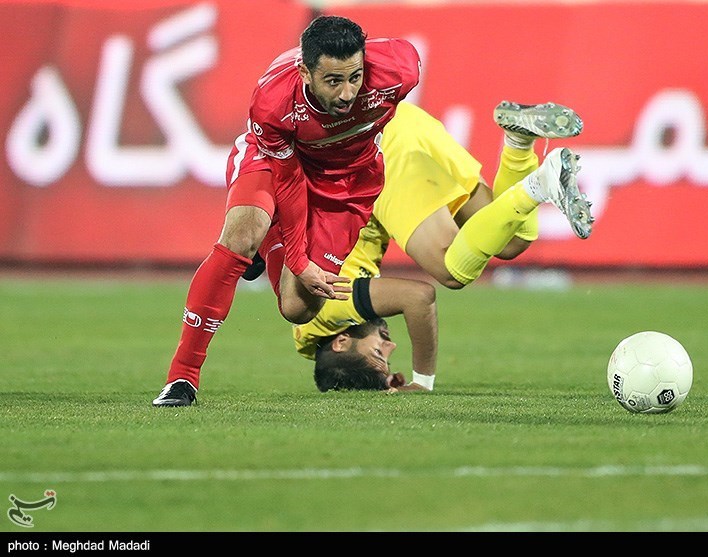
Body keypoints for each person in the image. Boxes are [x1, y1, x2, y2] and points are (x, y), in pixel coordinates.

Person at [152, 15, 421, 407]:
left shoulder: (400, 69)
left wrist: (299, 265)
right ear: (305, 71)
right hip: (278, 163)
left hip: (347, 184)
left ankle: (266, 248)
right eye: (333, 81)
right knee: (242, 234)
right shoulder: (274, 103)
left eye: (355, 77)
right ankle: (183, 377)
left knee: (298, 309)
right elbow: (289, 182)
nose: (347, 94)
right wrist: (297, 258)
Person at [285, 100, 593, 392]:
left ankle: (541, 184)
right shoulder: (309, 322)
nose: (391, 345)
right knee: (512, 241)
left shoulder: (321, 311)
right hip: (404, 124)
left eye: (379, 353)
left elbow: (418, 298)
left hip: (378, 156)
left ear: (340, 342)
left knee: (451, 271)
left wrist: (423, 379)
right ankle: (518, 144)